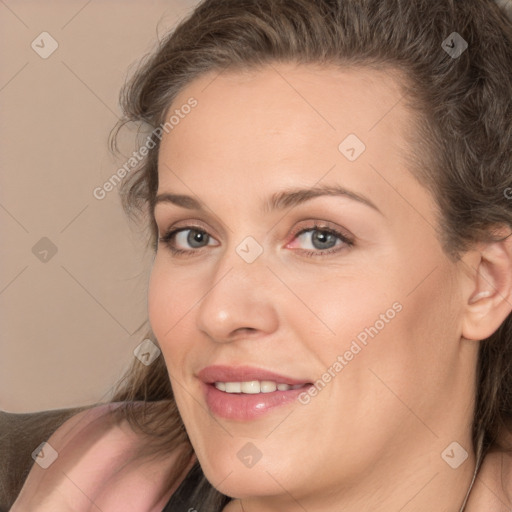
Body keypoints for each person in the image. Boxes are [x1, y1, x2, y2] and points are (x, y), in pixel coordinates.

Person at [10, 0, 512, 510]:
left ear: (485, 283)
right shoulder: (56, 476)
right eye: (193, 236)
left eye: (320, 237)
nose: (221, 312)